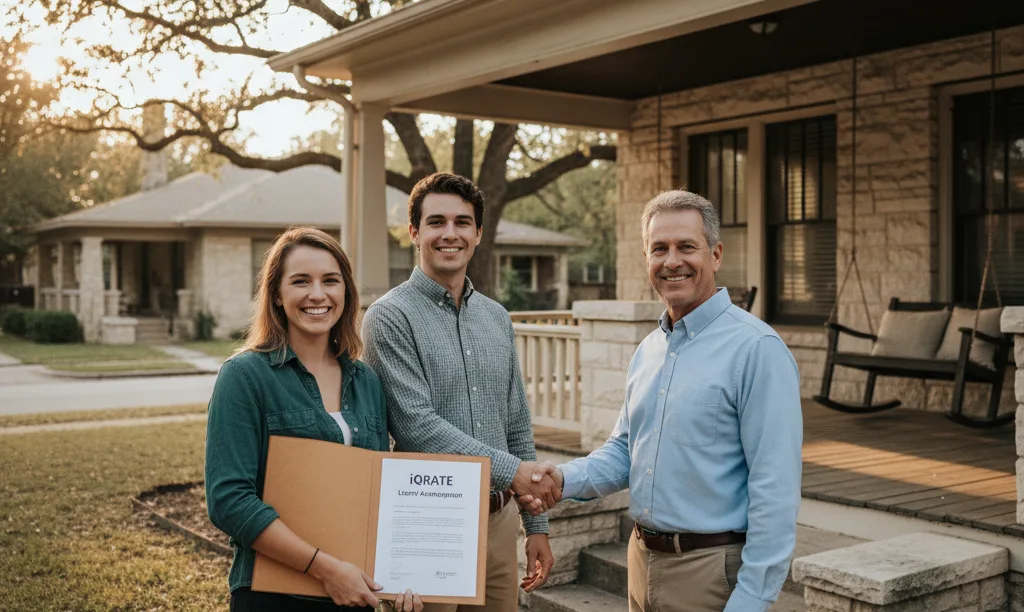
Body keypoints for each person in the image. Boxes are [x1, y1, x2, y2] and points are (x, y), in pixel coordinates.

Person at [521, 190, 803, 612]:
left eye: (687, 246)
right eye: (659, 248)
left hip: (710, 574)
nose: (672, 261)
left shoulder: (757, 349)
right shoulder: (650, 349)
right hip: (641, 563)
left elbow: (775, 489)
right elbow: (624, 450)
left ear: (716, 254)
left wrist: (752, 598)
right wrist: (562, 480)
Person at [362, 173, 560, 612]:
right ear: (414, 232)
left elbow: (515, 424)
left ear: (478, 233)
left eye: (462, 222)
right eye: (436, 222)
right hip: (428, 520)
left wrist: (537, 525)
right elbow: (416, 426)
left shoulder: (497, 318)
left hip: (498, 521)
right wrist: (515, 471)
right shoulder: (389, 317)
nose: (449, 234)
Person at [205, 227, 423, 612]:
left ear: (346, 292)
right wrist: (325, 569)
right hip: (275, 596)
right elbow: (229, 500)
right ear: (276, 294)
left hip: (354, 595)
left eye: (330, 281)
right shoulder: (244, 376)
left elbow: (377, 493)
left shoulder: (367, 381)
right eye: (301, 281)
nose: (318, 294)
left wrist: (404, 577)